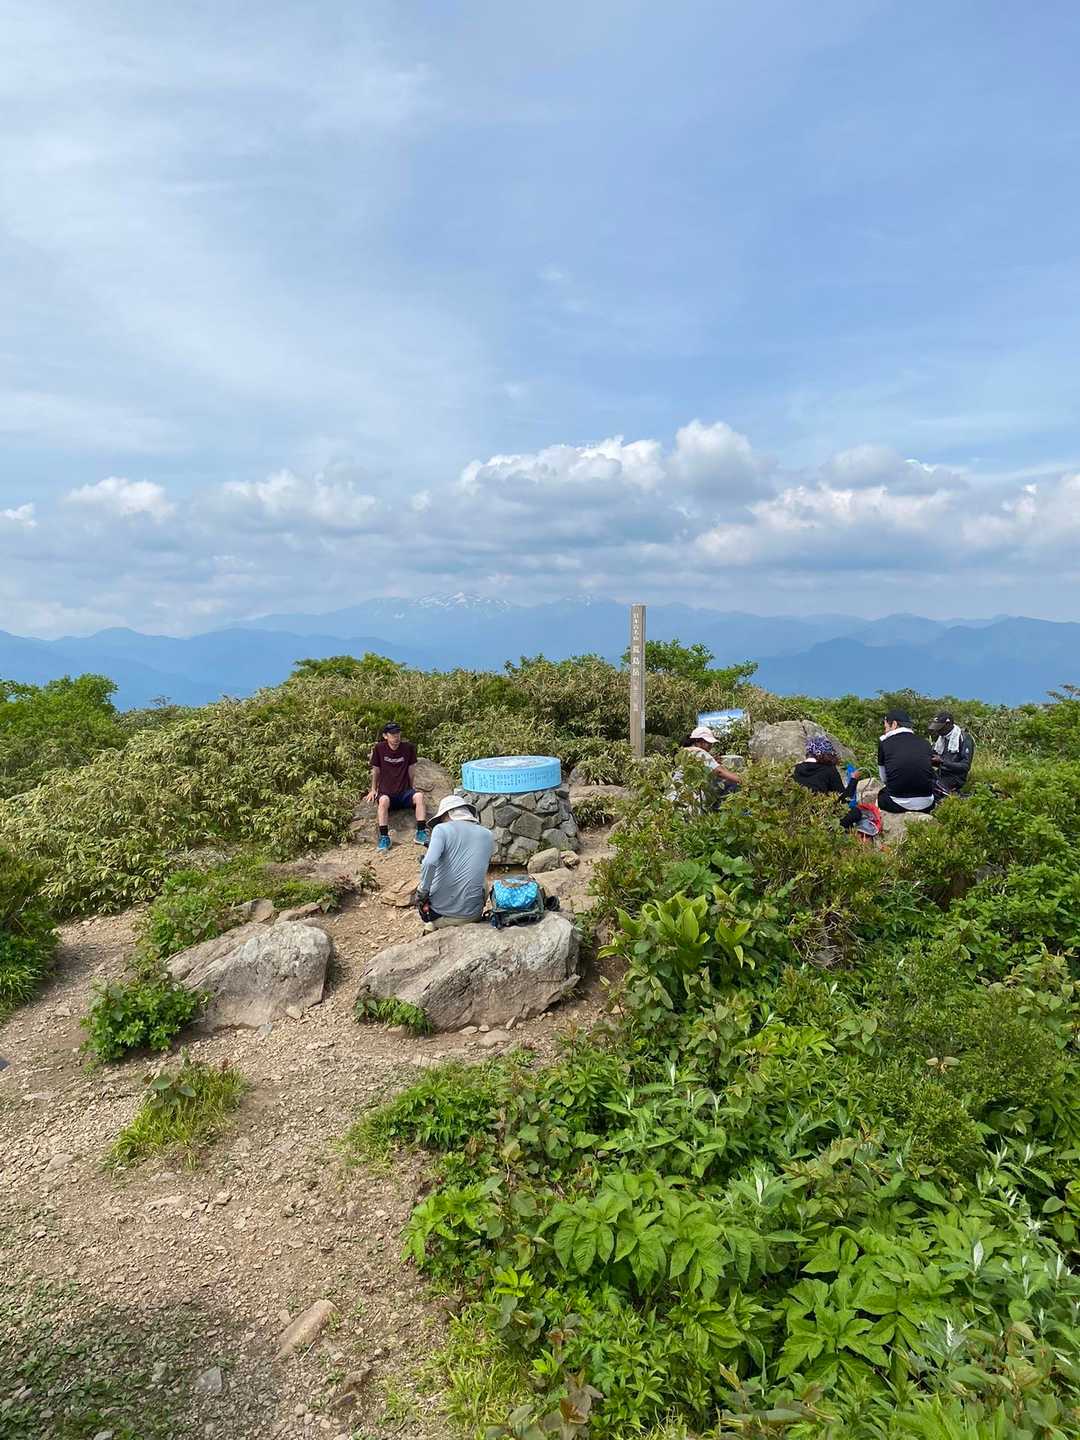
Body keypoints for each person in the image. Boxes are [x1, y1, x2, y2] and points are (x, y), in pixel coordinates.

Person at [414, 795, 495, 931]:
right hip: (472, 915)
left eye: (442, 818)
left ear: (447, 814)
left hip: (441, 915)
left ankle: (432, 925)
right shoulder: (487, 834)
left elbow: (429, 863)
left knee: (426, 880)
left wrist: (422, 892)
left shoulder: (441, 829)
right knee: (484, 883)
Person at [366, 721, 428, 852]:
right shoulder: (379, 748)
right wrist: (373, 789)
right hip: (387, 793)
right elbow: (376, 771)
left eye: (398, 733)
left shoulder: (408, 748)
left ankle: (421, 832)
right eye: (392, 734)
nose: (396, 737)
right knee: (383, 801)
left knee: (419, 797)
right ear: (385, 736)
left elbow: (411, 770)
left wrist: (411, 788)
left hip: (404, 793)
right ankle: (384, 837)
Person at [792, 735, 863, 828]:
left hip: (797, 816)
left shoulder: (795, 768)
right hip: (821, 817)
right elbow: (843, 800)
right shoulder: (829, 770)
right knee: (856, 812)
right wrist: (854, 779)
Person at [876, 708, 936, 813]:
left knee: (881, 795)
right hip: (927, 804)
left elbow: (884, 778)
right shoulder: (925, 743)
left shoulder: (884, 743)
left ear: (894, 724)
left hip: (897, 803)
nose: (885, 731)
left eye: (886, 727)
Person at [671, 725, 742, 806]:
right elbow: (719, 771)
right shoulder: (698, 751)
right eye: (709, 743)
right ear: (700, 742)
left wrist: (712, 761)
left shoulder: (686, 751)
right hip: (686, 798)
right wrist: (742, 781)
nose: (711, 746)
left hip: (675, 796)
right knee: (729, 784)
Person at [928, 711, 975, 794]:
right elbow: (935, 756)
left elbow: (965, 767)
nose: (937, 731)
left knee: (930, 788)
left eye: (939, 727)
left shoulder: (964, 738)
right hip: (940, 773)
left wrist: (942, 762)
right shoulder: (941, 739)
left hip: (955, 778)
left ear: (948, 724)